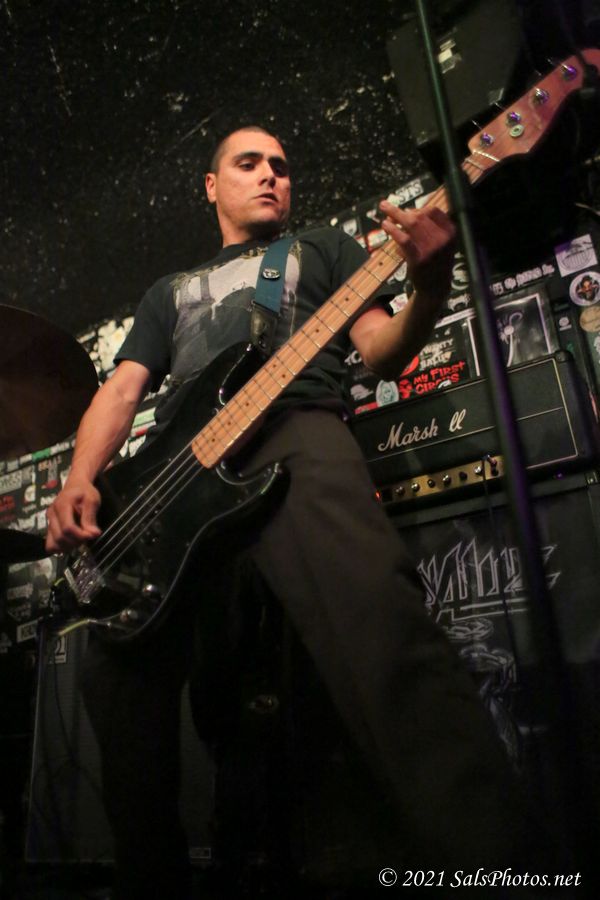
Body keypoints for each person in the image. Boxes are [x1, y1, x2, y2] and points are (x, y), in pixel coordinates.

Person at [46, 126, 529, 898]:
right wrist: (80, 476)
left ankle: (499, 868)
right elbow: (124, 388)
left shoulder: (325, 249)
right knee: (125, 679)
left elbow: (380, 348)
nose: (272, 174)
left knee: (386, 642)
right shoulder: (170, 291)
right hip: (174, 483)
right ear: (212, 187)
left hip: (297, 433)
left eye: (281, 165)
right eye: (249, 163)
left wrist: (432, 283)